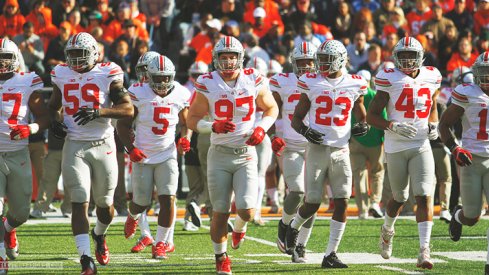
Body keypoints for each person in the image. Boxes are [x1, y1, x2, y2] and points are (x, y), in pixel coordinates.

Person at [187, 36, 278, 274]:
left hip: (246, 151)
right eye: (223, 57)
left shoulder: (253, 79)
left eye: (232, 57)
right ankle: (221, 257)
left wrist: (262, 128)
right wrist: (211, 126)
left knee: (247, 210)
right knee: (220, 210)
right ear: (216, 59)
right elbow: (192, 119)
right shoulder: (208, 82)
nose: (228, 62)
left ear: (240, 58)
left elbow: (271, 107)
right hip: (219, 154)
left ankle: (239, 228)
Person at [48, 32, 134, 274]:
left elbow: (128, 109)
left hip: (103, 144)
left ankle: (99, 235)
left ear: (94, 54)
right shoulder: (61, 73)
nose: (75, 60)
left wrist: (100, 112)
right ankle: (86, 259)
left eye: (80, 54)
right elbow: (53, 106)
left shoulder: (108, 72)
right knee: (79, 201)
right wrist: (55, 122)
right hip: (74, 145)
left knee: (105, 206)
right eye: (71, 54)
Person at [285, 39, 369, 268]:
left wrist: (363, 125)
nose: (321, 64)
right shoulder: (311, 81)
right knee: (312, 202)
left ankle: (330, 253)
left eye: (326, 60)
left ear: (341, 60)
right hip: (317, 149)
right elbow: (295, 120)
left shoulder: (355, 83)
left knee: (341, 201)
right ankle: (293, 227)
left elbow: (362, 114)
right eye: (319, 59)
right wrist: (305, 131)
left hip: (341, 150)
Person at [367, 36, 442, 270]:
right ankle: (388, 229)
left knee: (424, 195)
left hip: (421, 144)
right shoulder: (389, 78)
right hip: (396, 145)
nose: (408, 60)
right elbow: (372, 116)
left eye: (412, 55)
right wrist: (391, 125)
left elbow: (432, 104)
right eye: (404, 55)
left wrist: (434, 124)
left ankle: (424, 250)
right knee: (399, 197)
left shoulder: (431, 76)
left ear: (420, 57)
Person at [119, 54, 191, 260]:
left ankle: (160, 243)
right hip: (142, 154)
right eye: (157, 78)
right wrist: (130, 148)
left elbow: (186, 124)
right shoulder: (137, 92)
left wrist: (185, 138)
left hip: (167, 154)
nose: (162, 82)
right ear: (148, 77)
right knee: (141, 202)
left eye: (166, 77)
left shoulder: (180, 93)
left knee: (168, 198)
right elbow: (123, 125)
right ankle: (133, 216)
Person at [0, 38, 49, 270]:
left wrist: (31, 128)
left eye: (6, 57)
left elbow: (44, 115)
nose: (1, 62)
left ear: (15, 59)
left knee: (21, 212)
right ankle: (0, 255)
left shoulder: (27, 80)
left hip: (18, 152)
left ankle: (9, 228)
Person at [440, 51, 489, 275]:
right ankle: (458, 217)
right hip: (471, 160)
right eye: (484, 73)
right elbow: (444, 125)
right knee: (472, 216)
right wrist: (455, 147)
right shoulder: (467, 93)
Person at [271, 41, 319, 263]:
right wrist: (274, 136)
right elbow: (272, 111)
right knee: (298, 191)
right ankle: (285, 222)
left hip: (316, 146)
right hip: (291, 145)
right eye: (302, 62)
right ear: (294, 63)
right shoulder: (282, 82)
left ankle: (301, 245)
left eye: (310, 61)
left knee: (313, 198)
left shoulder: (323, 82)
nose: (307, 66)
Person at [350, 69, 386, 219]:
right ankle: (375, 203)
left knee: (359, 174)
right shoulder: (374, 95)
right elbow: (383, 117)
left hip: (356, 140)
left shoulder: (352, 96)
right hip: (375, 141)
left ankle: (362, 210)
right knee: (377, 172)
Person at [245, 56, 272, 226]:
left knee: (255, 173)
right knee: (254, 174)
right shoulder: (244, 83)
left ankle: (254, 211)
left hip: (253, 132)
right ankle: (252, 210)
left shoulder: (243, 81)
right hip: (253, 132)